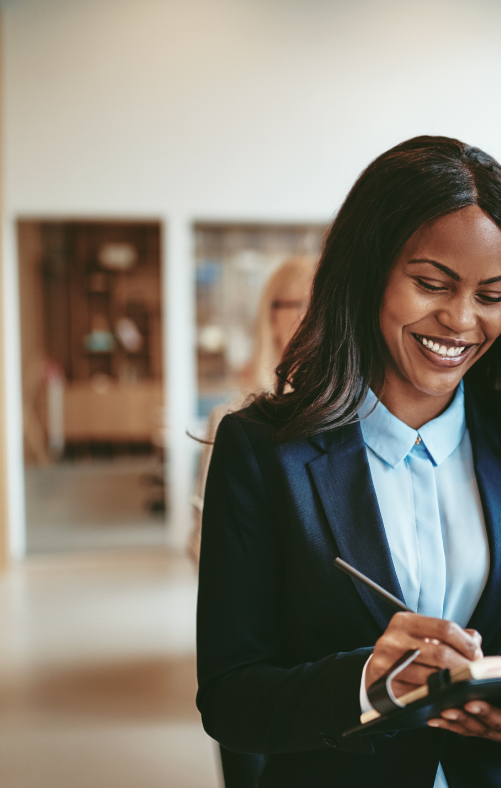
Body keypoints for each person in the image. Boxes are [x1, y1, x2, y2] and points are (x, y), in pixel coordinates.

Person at [196, 137, 501, 787]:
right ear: (369, 275)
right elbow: (230, 698)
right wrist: (365, 682)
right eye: (431, 284)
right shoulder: (263, 450)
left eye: (492, 294)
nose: (460, 320)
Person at [190, 255, 315, 788]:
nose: (313, 317)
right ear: (272, 316)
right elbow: (208, 541)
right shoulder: (238, 420)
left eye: (322, 303)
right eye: (297, 305)